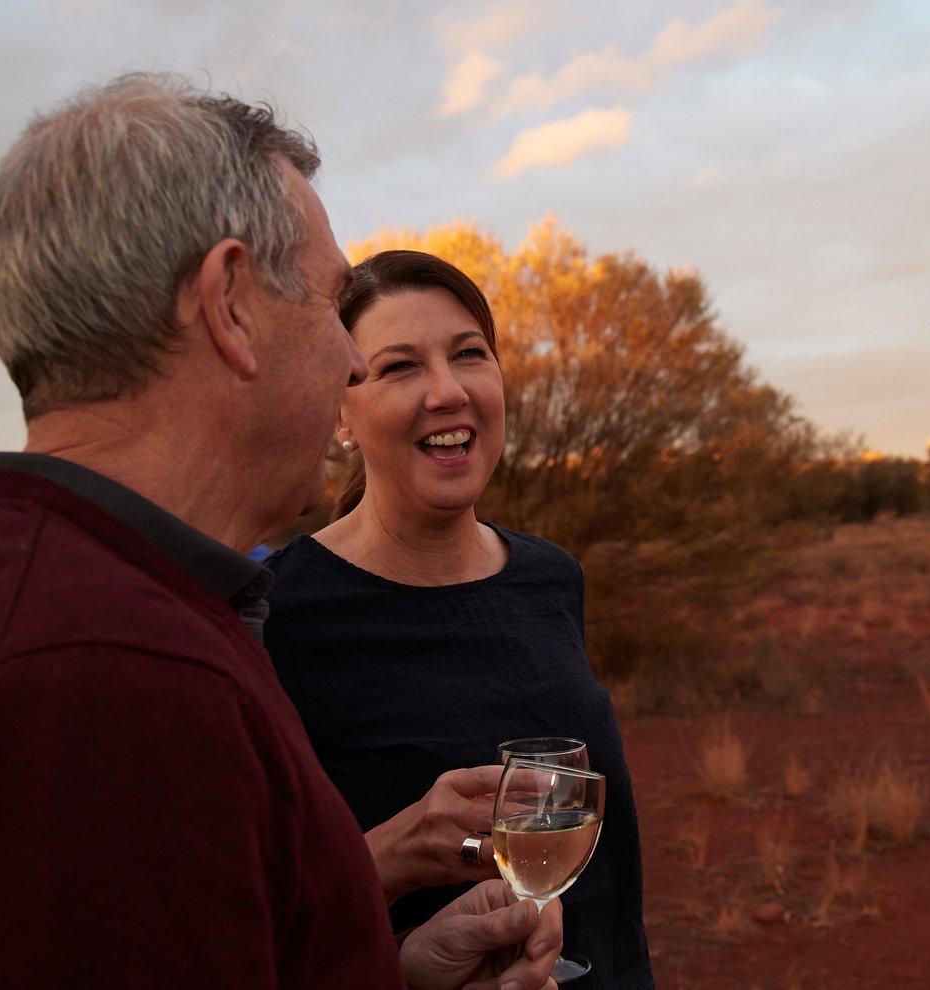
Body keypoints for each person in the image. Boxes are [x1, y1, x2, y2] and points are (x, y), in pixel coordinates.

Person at [0, 73, 560, 989]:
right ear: (231, 304)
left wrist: (394, 973)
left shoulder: (16, 601)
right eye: (333, 305)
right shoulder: (107, 686)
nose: (353, 357)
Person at [263, 250, 655, 987]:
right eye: (400, 367)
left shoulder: (550, 578)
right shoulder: (275, 616)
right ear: (341, 411)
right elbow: (243, 916)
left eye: (469, 354)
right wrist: (392, 857)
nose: (447, 391)